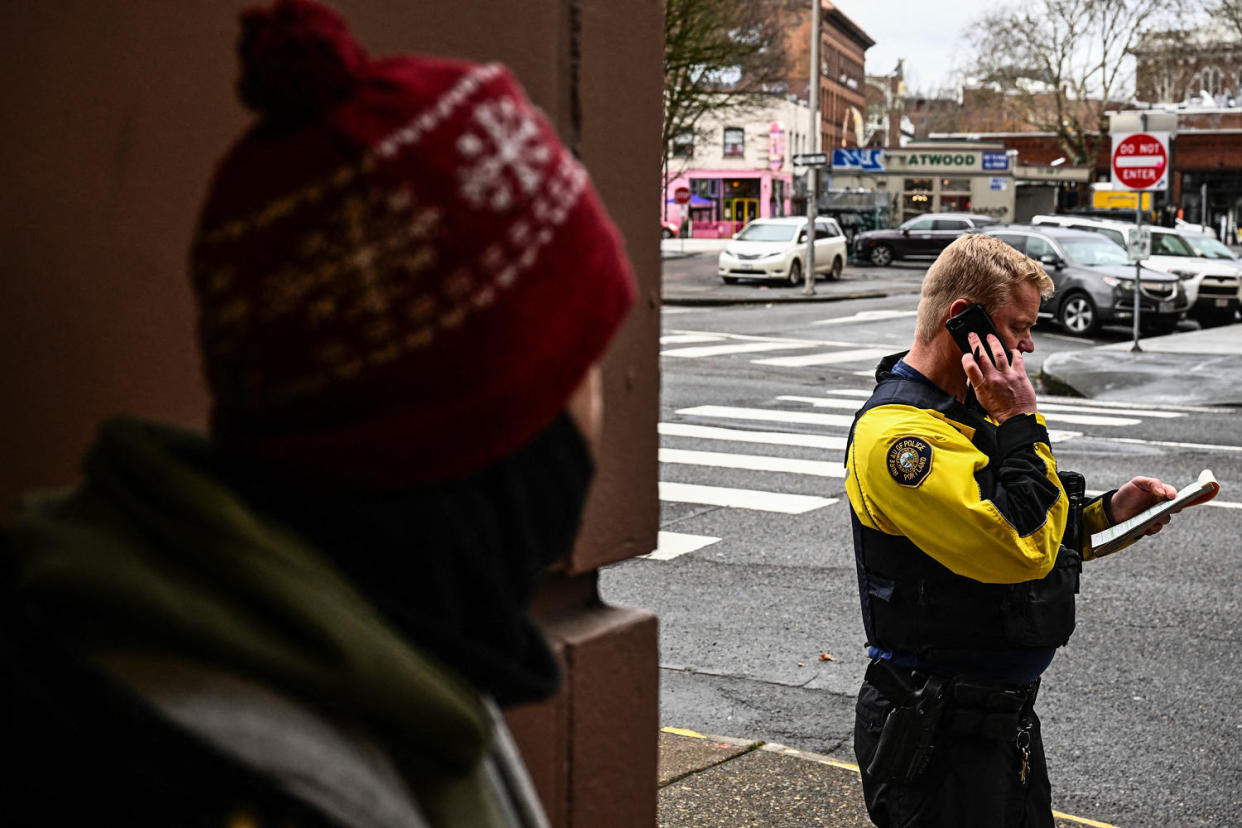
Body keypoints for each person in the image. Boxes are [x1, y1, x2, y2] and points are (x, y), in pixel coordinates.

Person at [0, 0, 635, 825]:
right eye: (576, 363)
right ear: (466, 425)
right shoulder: (219, 777)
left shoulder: (392, 657)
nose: (599, 406)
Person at [844, 233, 1177, 827]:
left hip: (995, 726)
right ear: (961, 320)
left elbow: (1036, 529)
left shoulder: (966, 410)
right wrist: (1022, 418)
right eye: (1017, 325)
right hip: (937, 736)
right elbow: (1019, 547)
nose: (1028, 343)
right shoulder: (899, 438)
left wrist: (1107, 516)